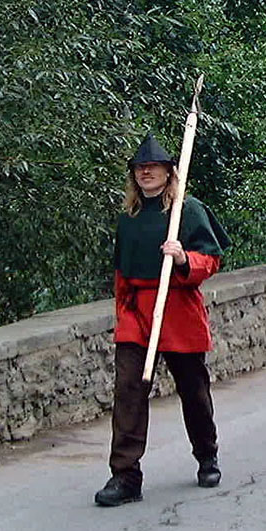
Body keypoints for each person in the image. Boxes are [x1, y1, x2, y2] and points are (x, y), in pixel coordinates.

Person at [95, 133, 231, 507]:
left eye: (152, 167)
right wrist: (122, 311)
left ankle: (207, 454)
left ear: (169, 172)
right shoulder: (129, 216)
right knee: (128, 390)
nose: (146, 173)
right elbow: (122, 272)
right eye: (140, 168)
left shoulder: (187, 211)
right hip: (137, 312)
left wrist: (184, 257)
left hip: (177, 309)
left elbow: (211, 260)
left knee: (193, 389)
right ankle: (125, 475)